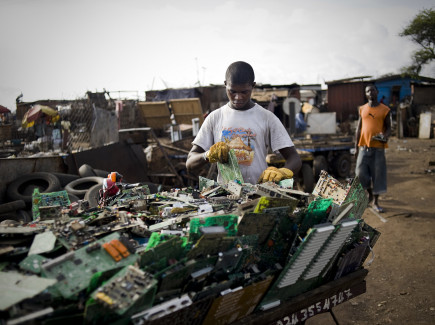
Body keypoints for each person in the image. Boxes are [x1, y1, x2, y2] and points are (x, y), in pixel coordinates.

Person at [186, 61, 301, 185]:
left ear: (253, 86)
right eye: (233, 91)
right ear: (225, 85)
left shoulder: (267, 117)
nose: (238, 97)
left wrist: (283, 172)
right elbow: (190, 163)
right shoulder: (215, 117)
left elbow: (294, 159)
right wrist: (207, 155)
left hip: (258, 192)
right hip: (225, 196)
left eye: (244, 92)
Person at [355, 84, 391, 213]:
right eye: (368, 91)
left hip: (378, 148)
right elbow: (359, 129)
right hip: (364, 148)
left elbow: (389, 128)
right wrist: (356, 147)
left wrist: (385, 136)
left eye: (372, 90)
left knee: (378, 176)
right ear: (366, 94)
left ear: (377, 92)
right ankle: (369, 193)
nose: (370, 92)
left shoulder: (385, 109)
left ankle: (375, 202)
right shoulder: (362, 109)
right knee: (360, 174)